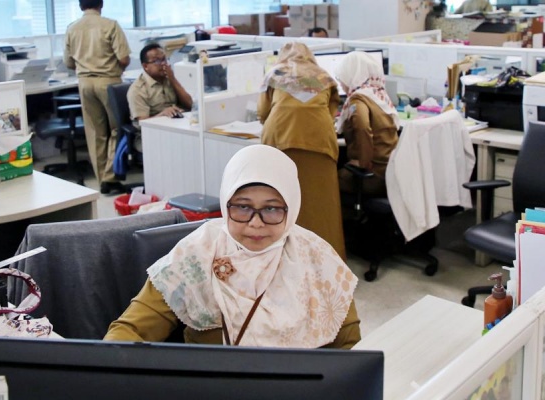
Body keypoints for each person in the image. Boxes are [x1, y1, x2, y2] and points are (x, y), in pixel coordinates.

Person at [105, 144, 361, 348]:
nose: (256, 223)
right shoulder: (196, 252)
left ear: (291, 208)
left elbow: (352, 347)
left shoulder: (316, 257)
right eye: (242, 207)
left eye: (271, 209)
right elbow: (131, 329)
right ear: (226, 204)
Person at [258, 42, 347, 259]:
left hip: (280, 140)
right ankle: (328, 259)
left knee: (280, 201)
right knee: (322, 204)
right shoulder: (325, 77)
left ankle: (281, 258)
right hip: (319, 142)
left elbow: (262, 112)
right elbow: (332, 112)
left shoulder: (275, 74)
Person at [64, 0, 131, 195]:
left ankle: (102, 179)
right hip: (109, 81)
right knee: (117, 128)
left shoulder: (72, 28)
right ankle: (111, 177)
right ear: (101, 4)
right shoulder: (110, 25)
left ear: (80, 6)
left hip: (85, 83)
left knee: (95, 133)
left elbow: (68, 62)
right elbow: (124, 58)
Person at [335, 51, 399, 197]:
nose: (341, 83)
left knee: (321, 182)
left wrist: (363, 162)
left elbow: (362, 127)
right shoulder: (378, 95)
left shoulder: (358, 100)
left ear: (352, 76)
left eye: (342, 78)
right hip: (390, 172)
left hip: (371, 176)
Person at [127, 43, 194, 150]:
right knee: (179, 148)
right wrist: (162, 114)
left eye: (164, 59)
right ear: (145, 66)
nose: (163, 64)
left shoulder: (169, 79)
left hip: (174, 129)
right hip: (150, 136)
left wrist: (173, 79)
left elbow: (190, 105)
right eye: (157, 61)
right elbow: (142, 123)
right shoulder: (138, 89)